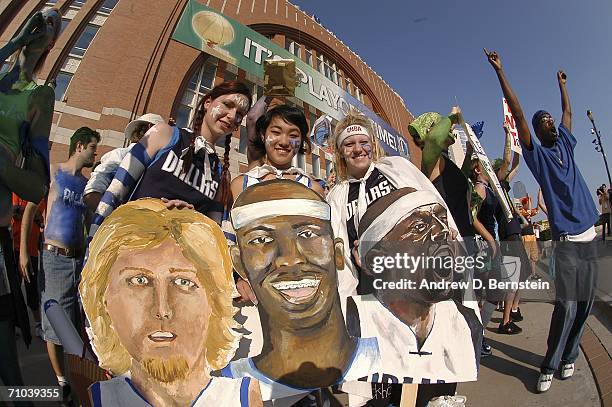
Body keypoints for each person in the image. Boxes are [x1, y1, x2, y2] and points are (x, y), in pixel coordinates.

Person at [486, 49, 599, 393]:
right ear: (534, 131)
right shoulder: (537, 155)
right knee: (565, 304)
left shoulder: (565, 140)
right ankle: (550, 363)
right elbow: (518, 111)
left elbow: (567, 112)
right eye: (543, 122)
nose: (550, 122)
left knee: (586, 304)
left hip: (590, 234)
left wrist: (562, 85)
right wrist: (501, 73)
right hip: (566, 241)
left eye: (550, 120)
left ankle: (569, 357)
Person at [80, 199, 262, 406]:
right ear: (104, 299)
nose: (162, 309)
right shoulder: (99, 399)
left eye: (183, 282)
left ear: (214, 301)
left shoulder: (241, 397)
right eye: (139, 281)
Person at [224, 180, 380, 403]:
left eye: (308, 234)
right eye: (261, 240)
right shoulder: (226, 388)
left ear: (337, 252)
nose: (290, 259)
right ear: (239, 264)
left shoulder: (393, 357)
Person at [349, 187, 482, 387]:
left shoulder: (465, 322)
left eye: (443, 221)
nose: (442, 232)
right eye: (420, 227)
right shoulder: (354, 322)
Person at [89, 81, 252, 241]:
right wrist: (93, 248)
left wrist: (191, 219)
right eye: (227, 104)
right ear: (207, 103)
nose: (232, 116)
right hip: (129, 250)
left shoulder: (221, 173)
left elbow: (211, 236)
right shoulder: (163, 134)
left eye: (239, 114)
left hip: (176, 263)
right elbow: (114, 194)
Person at [0, 9, 60, 391]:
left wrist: (3, 166)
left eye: (51, 25)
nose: (41, 24)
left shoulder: (39, 94)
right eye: (38, 18)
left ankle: (39, 394)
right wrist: (14, 43)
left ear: (52, 44)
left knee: (8, 363)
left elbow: (38, 186)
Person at [23, 127, 99, 398]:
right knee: (55, 322)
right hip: (54, 256)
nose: (95, 153)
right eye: (92, 147)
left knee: (74, 322)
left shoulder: (86, 184)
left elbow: (90, 221)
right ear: (79, 146)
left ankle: (73, 380)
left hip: (78, 260)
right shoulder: (55, 172)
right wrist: (23, 251)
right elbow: (31, 209)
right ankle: (62, 382)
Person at [82, 113, 165, 213]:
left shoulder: (158, 165)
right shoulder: (120, 155)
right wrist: (117, 221)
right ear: (150, 128)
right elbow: (91, 194)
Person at [12, 193, 45, 338]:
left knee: (32, 288)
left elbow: (38, 213)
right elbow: (11, 210)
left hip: (31, 248)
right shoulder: (11, 189)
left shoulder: (37, 188)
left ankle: (38, 324)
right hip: (13, 245)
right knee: (13, 289)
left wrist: (21, 211)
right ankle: (12, 325)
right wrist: (23, 211)